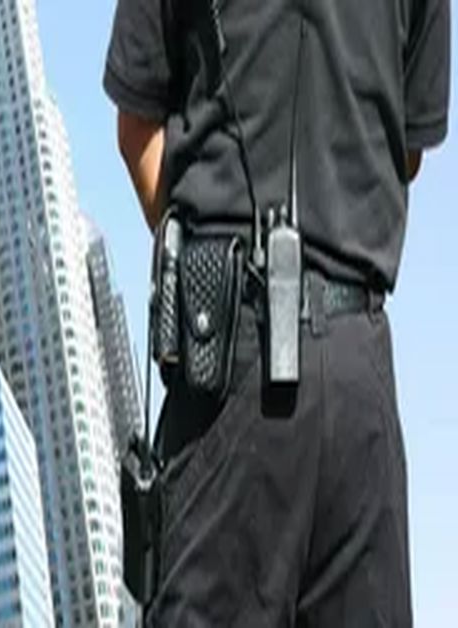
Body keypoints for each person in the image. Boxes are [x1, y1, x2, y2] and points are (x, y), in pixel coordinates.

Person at [104, 0, 449, 625]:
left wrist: (207, 270)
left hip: (227, 349)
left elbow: (137, 129)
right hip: (359, 359)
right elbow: (407, 149)